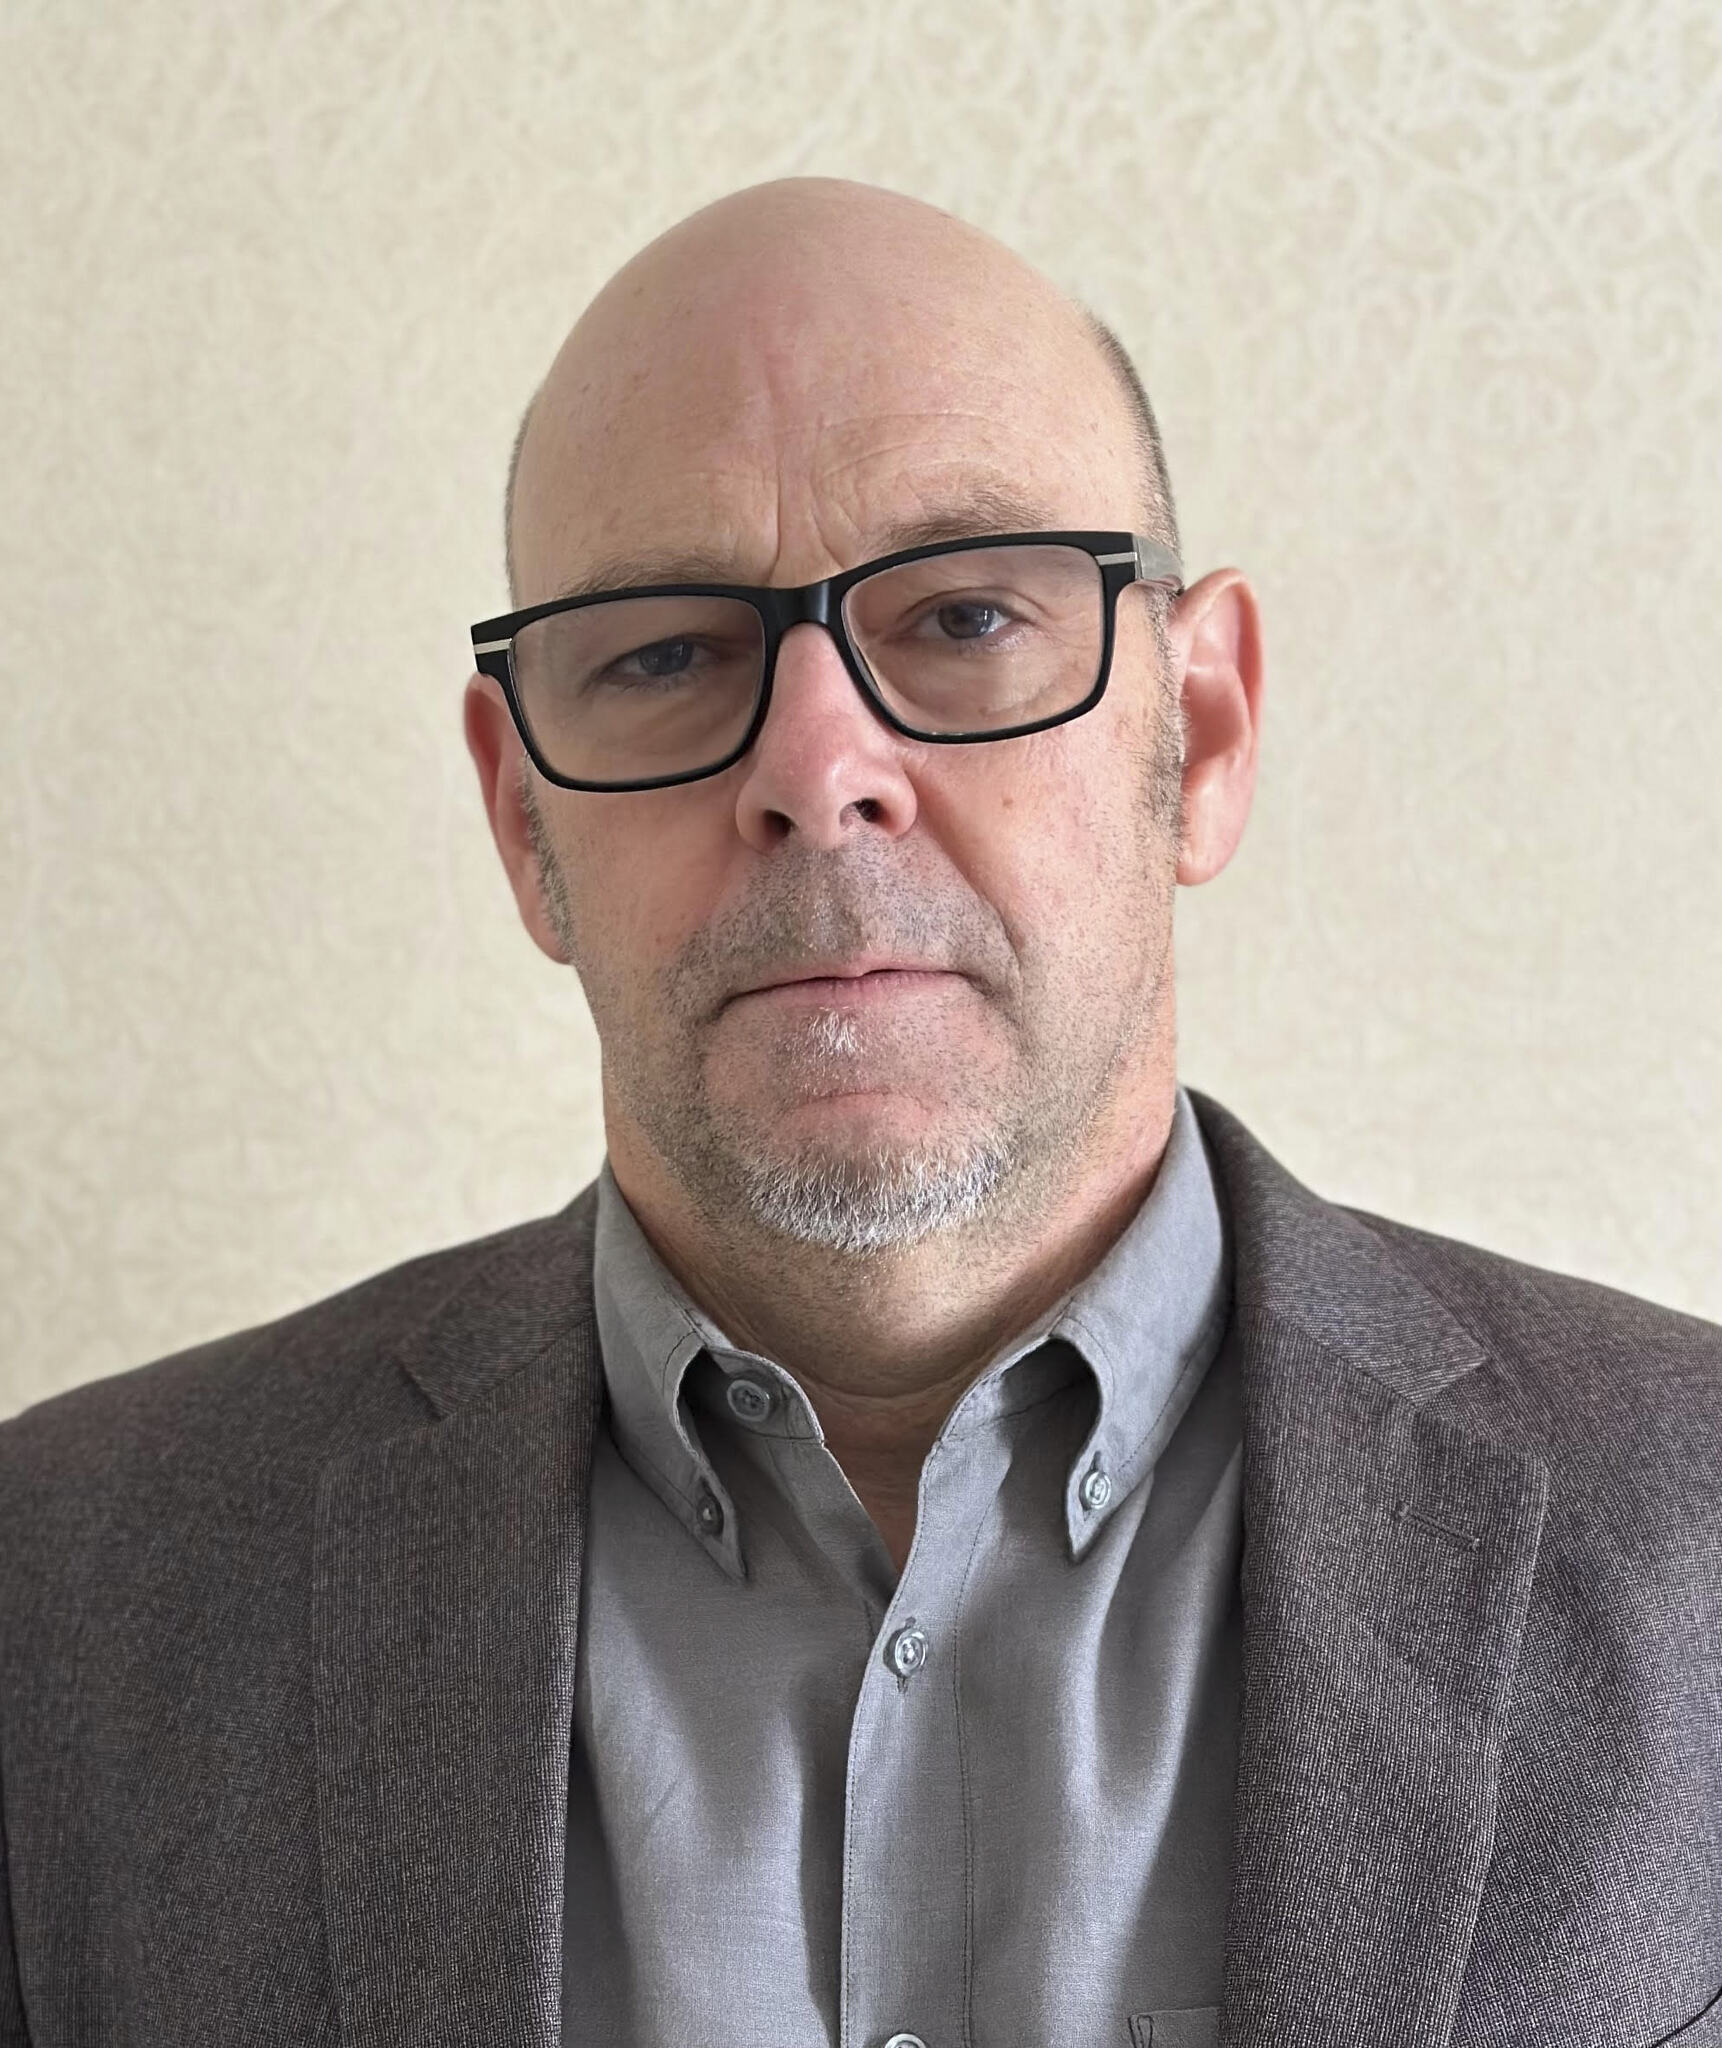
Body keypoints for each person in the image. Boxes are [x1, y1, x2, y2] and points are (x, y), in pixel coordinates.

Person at [0, 178, 1717, 2048]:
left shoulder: (1690, 1532)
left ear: (1204, 730)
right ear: (521, 819)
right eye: (664, 655)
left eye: (966, 614)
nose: (818, 772)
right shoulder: (59, 1606)